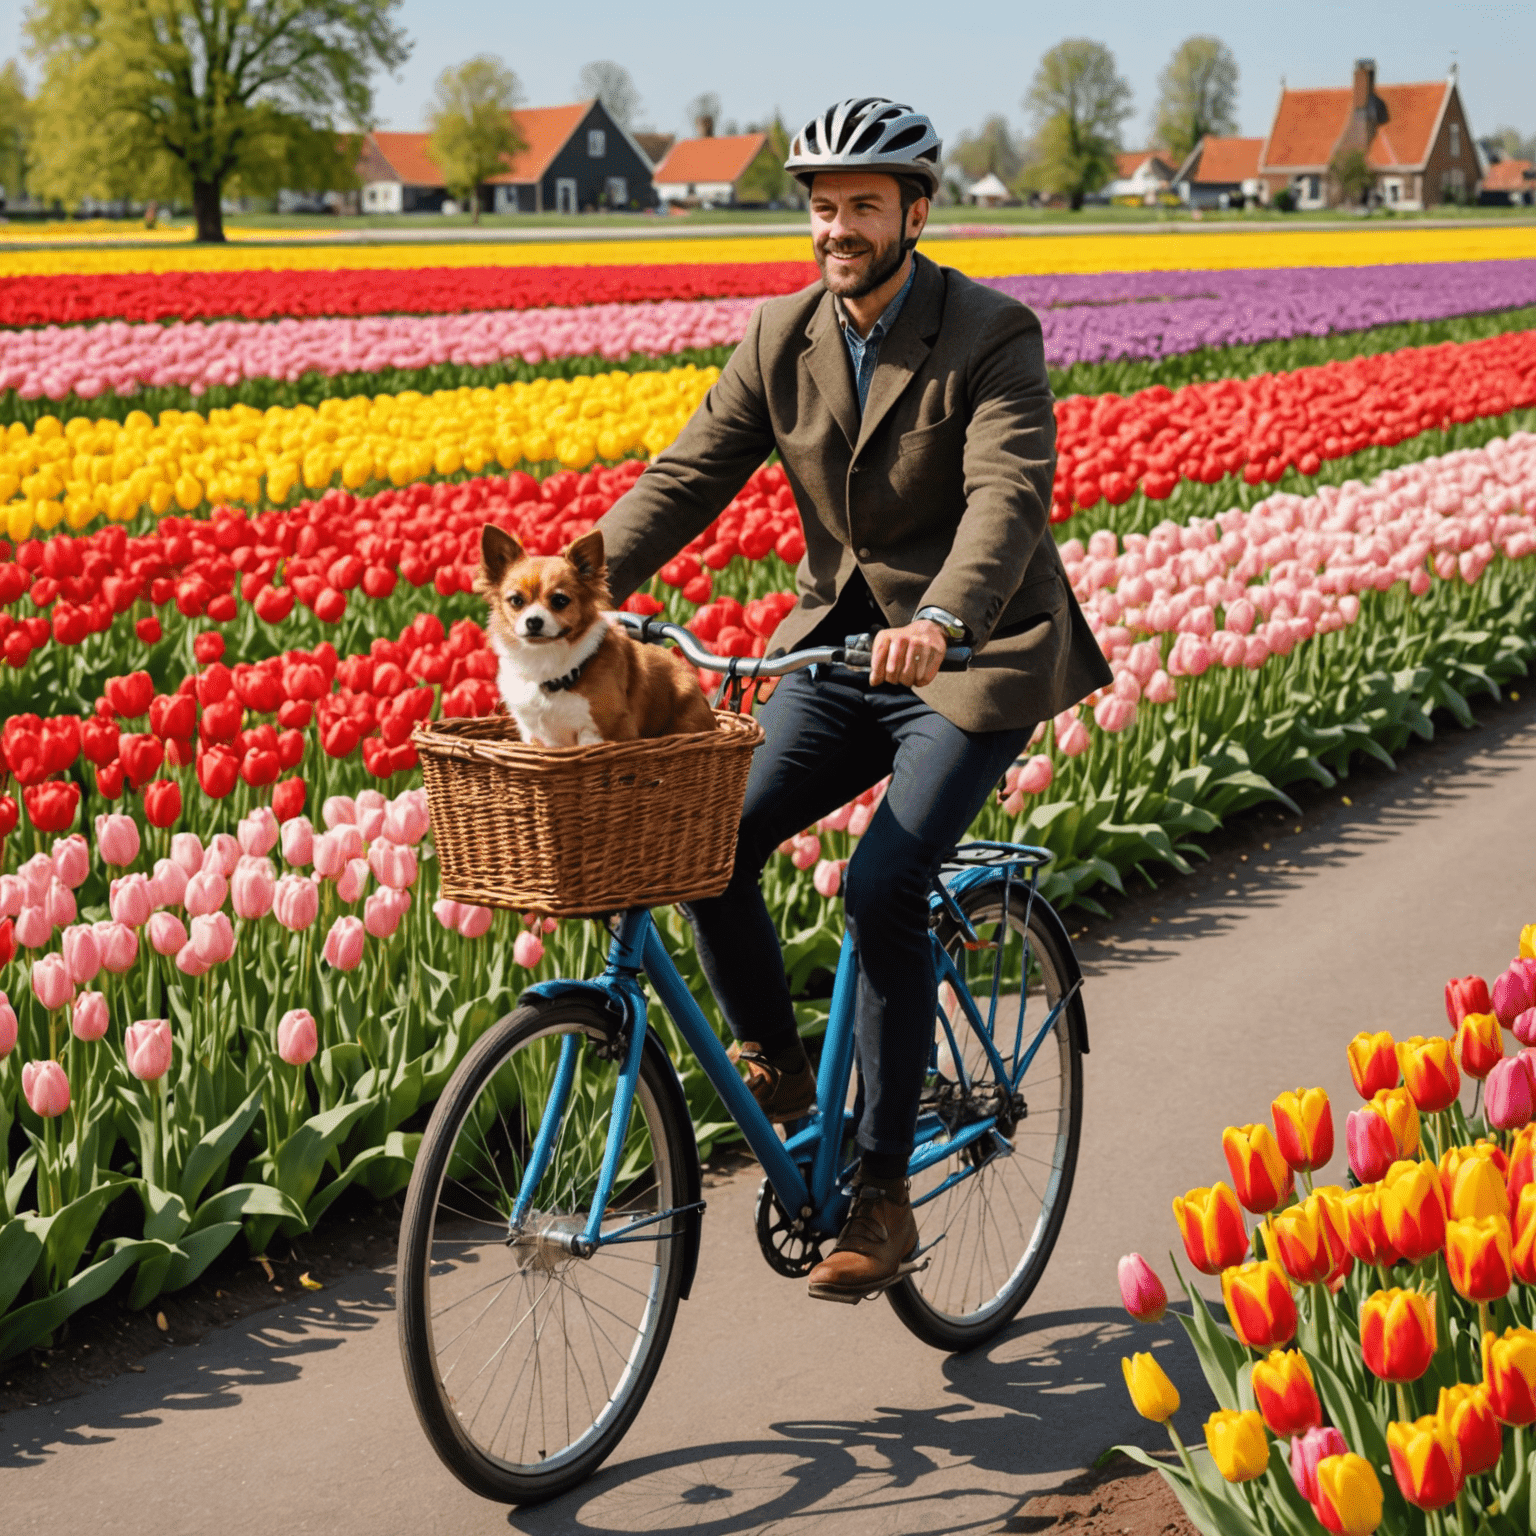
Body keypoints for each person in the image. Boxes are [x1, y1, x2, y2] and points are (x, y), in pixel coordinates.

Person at [596, 97, 1110, 1302]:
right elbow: (687, 475)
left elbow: (1007, 495)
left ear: (914, 213)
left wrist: (943, 619)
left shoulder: (990, 329)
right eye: (822, 207)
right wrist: (574, 590)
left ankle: (883, 1191)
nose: (838, 228)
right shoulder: (780, 335)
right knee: (706, 830)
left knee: (881, 881)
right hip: (837, 651)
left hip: (972, 657)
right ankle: (773, 1058)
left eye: (863, 206)